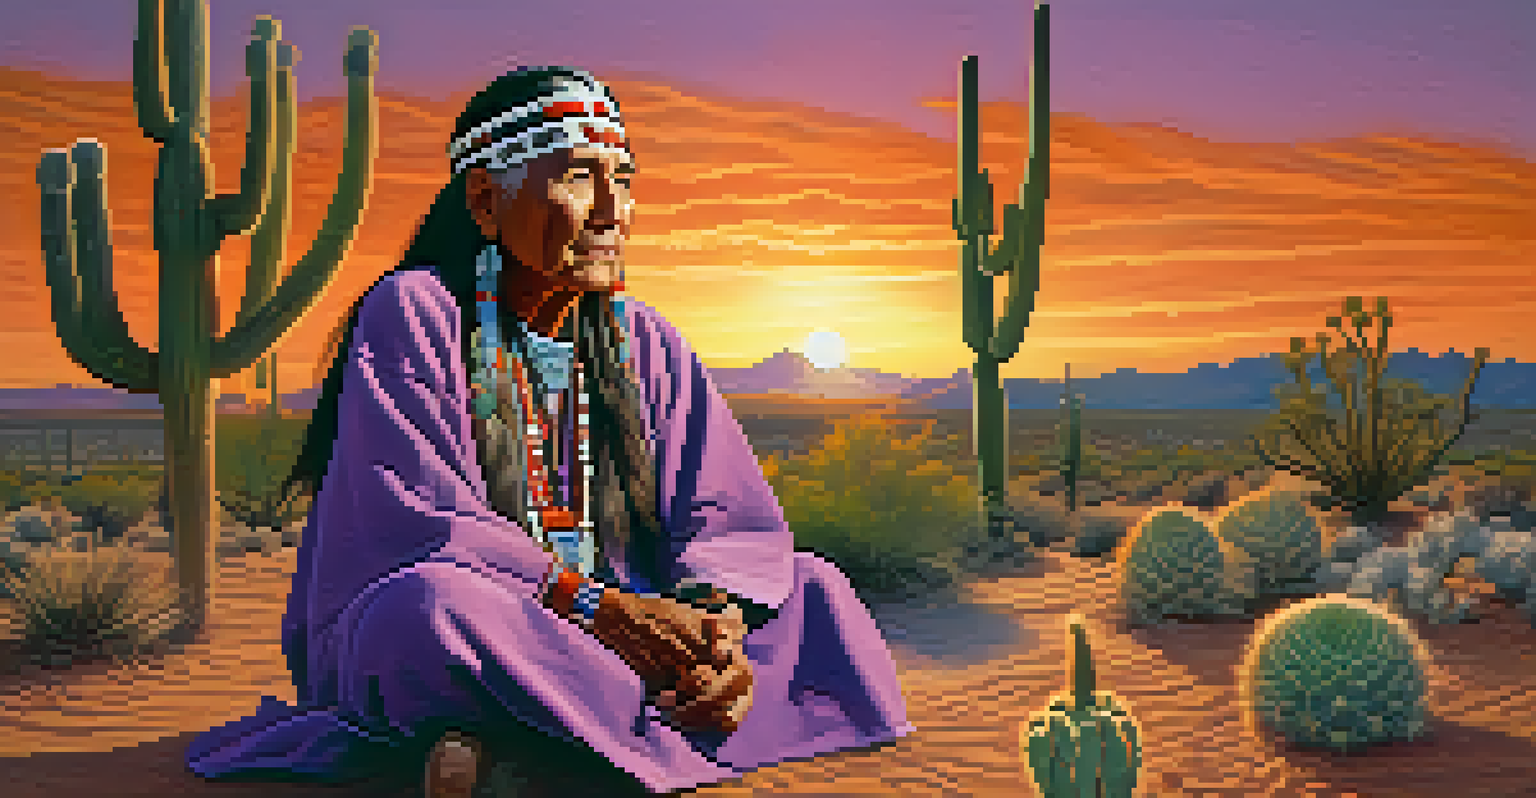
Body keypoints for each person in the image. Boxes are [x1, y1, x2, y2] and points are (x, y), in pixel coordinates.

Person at [184, 66, 913, 796]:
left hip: (630, 633)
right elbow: (416, 516)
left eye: (622, 180)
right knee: (427, 613)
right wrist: (597, 608)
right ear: (485, 202)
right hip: (508, 621)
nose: (610, 212)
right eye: (576, 177)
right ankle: (610, 738)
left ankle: (530, 746)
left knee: (816, 591)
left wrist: (714, 630)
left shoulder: (648, 342)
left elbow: (727, 516)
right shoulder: (414, 312)